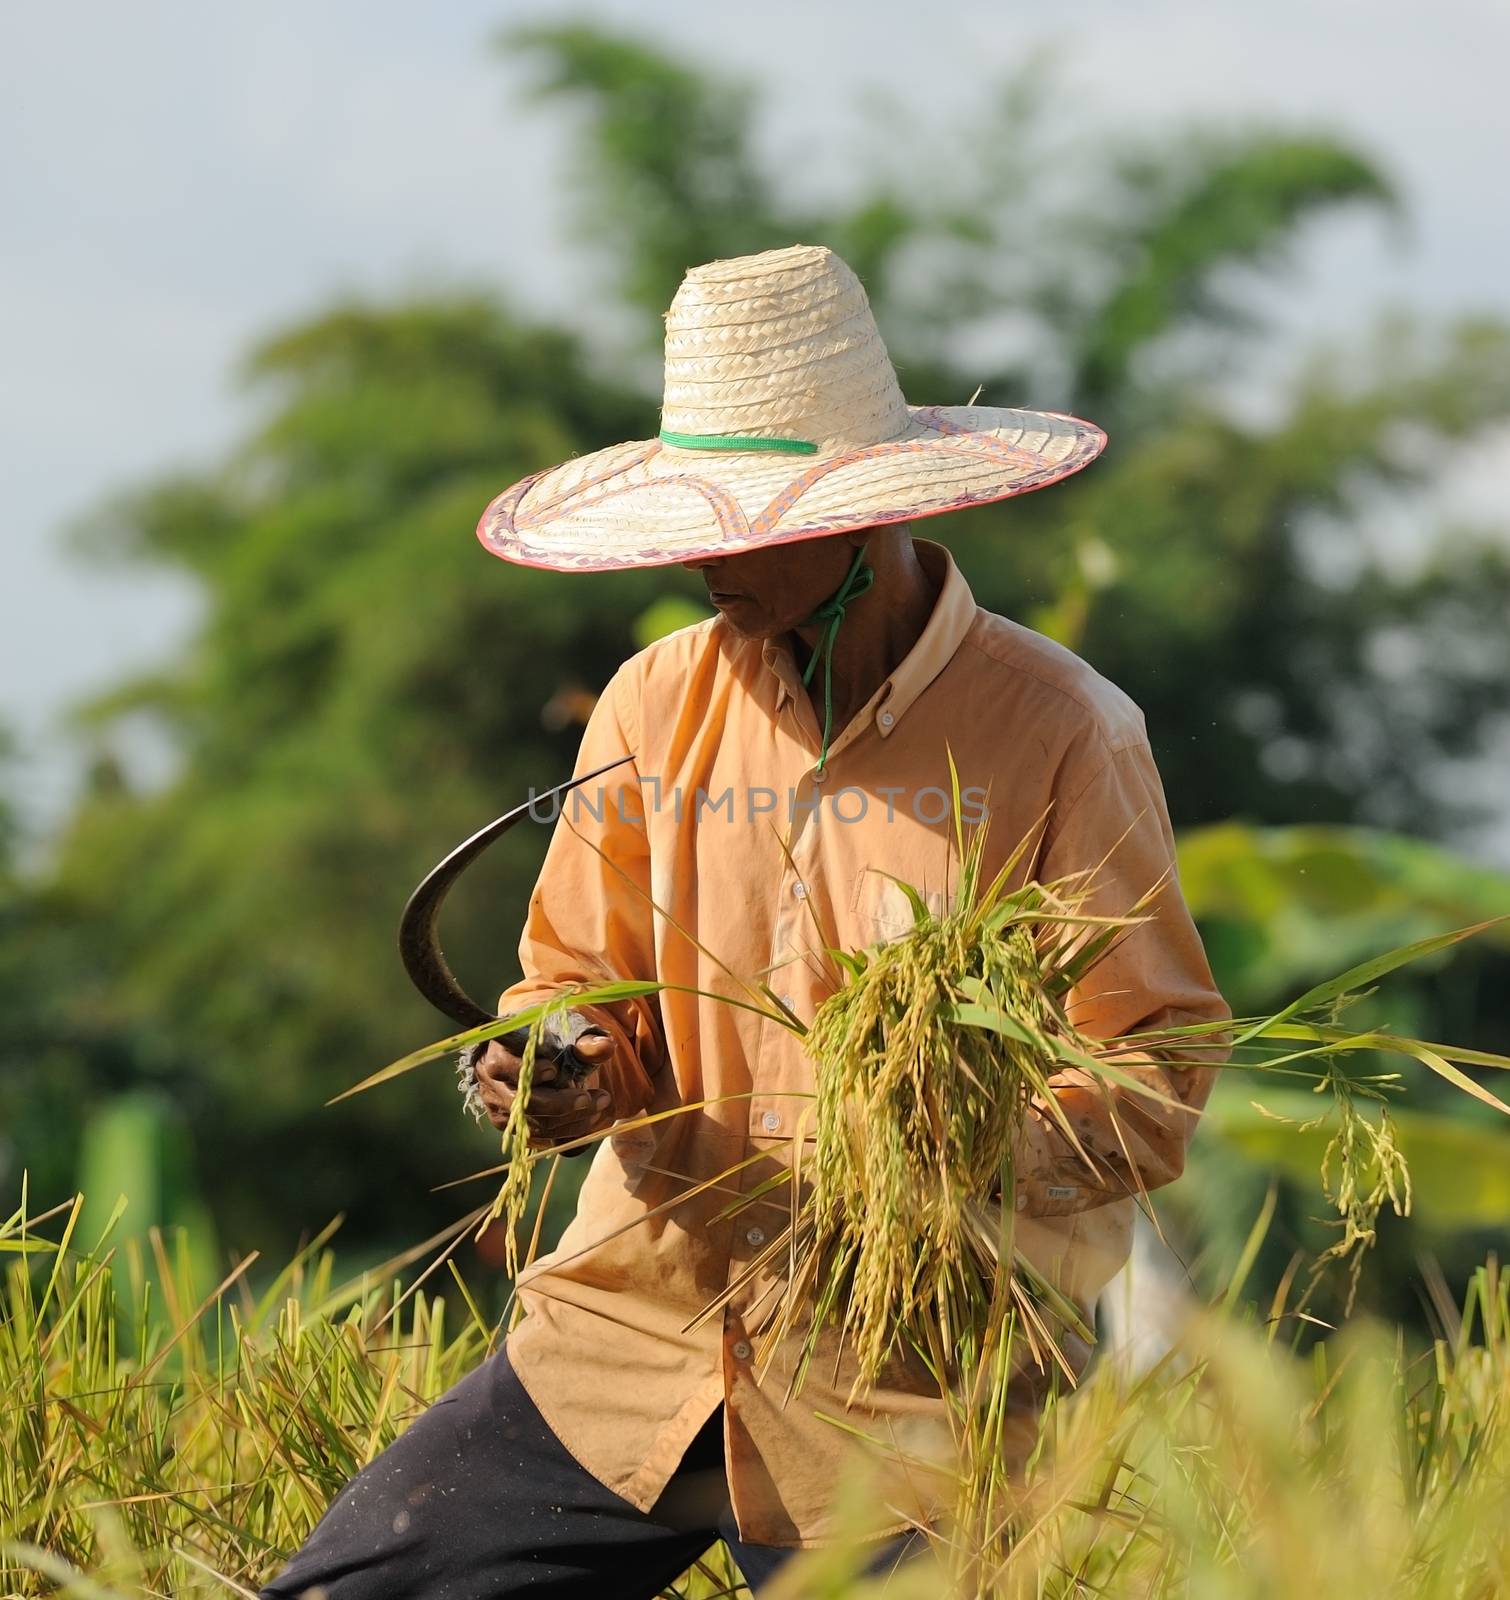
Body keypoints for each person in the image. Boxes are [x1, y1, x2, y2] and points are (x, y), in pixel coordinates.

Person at [263, 243, 1230, 1598]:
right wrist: (559, 1064)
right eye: (697, 525)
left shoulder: (1060, 733)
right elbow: (579, 979)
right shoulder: (655, 703)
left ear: (868, 519)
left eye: (750, 525)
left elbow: (1151, 1067)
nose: (711, 561)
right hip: (634, 1328)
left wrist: (951, 1138)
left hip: (911, 1383)